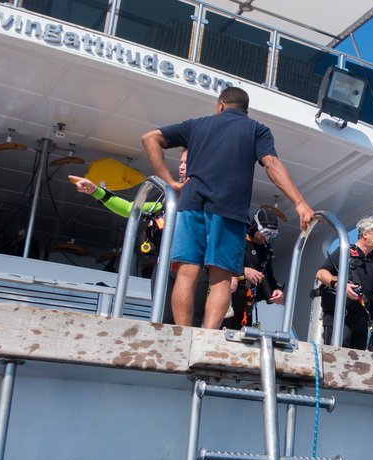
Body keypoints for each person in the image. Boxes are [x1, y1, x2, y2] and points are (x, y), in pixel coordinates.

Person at [141, 86, 314, 329]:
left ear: (220, 105)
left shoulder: (197, 125)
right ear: (246, 110)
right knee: (221, 279)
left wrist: (169, 182)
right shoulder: (257, 129)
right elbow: (271, 164)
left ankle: (181, 334)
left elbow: (150, 138)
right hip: (228, 209)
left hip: (191, 204)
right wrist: (299, 202)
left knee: (186, 272)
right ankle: (206, 337)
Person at [70, 152, 204, 325]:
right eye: (181, 162)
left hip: (197, 269)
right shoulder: (167, 199)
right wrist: (96, 191)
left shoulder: (208, 199)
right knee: (163, 322)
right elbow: (129, 209)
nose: (181, 166)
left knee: (192, 322)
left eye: (187, 161)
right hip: (165, 267)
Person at [315, 216, 373, 349]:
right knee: (335, 358)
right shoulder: (345, 250)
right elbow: (321, 273)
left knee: (357, 362)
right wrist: (340, 285)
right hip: (340, 316)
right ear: (365, 234)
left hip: (362, 319)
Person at [223, 208, 285, 330]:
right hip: (227, 300)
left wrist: (277, 290)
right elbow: (219, 263)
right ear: (255, 226)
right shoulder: (237, 240)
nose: (267, 238)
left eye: (272, 234)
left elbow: (269, 275)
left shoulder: (266, 249)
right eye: (266, 233)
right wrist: (243, 271)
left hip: (246, 304)